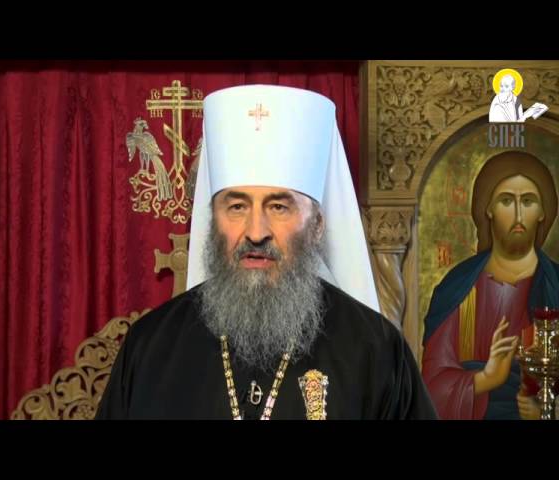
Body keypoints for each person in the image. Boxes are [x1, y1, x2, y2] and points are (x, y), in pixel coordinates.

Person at [96, 85, 436, 420]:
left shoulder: (374, 351)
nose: (256, 232)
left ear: (317, 225)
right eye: (237, 207)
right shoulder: (150, 346)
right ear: (213, 221)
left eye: (278, 207)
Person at [422, 151, 559, 420]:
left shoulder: (556, 284)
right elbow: (430, 388)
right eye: (506, 200)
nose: (518, 214)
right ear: (488, 208)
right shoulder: (459, 289)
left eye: (528, 201)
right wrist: (486, 379)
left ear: (543, 212)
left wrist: (549, 409)